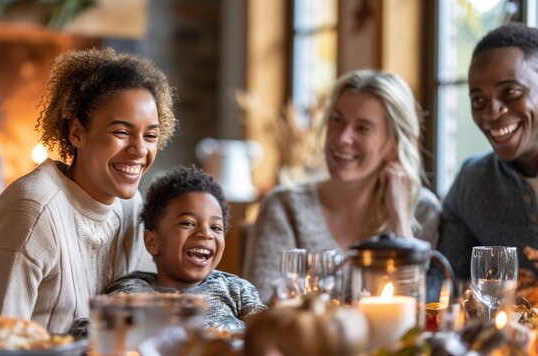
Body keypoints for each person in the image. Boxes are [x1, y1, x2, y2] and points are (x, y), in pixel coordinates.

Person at [0, 48, 178, 334]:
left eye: (150, 135)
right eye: (121, 132)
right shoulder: (33, 212)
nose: (140, 150)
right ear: (77, 133)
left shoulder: (131, 207)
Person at [243, 70, 442, 303]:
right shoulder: (283, 208)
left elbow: (416, 310)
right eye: (337, 120)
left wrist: (400, 221)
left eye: (362, 128)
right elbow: (259, 309)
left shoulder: (422, 210)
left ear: (393, 145)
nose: (342, 137)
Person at [436, 23, 538, 287]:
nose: (491, 113)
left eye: (511, 92)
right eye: (478, 100)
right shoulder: (472, 181)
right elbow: (445, 287)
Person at [105, 166, 267, 330]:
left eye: (216, 228)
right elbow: (95, 334)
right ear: (152, 242)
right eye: (188, 223)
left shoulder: (236, 289)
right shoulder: (129, 292)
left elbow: (269, 331)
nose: (206, 233)